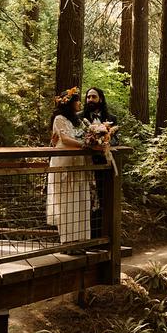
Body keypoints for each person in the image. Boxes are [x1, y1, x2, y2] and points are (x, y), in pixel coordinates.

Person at [47, 88, 89, 243]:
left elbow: (85, 134)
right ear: (70, 102)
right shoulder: (59, 118)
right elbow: (64, 139)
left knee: (78, 199)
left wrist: (93, 139)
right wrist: (85, 144)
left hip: (77, 161)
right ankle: (68, 241)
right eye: (77, 100)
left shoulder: (76, 120)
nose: (79, 103)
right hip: (63, 162)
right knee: (65, 200)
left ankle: (80, 239)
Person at [80, 87, 117, 238]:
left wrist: (106, 141)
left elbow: (116, 139)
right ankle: (85, 236)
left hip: (103, 165)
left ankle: (101, 236)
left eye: (93, 97)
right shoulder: (79, 117)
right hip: (84, 164)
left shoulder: (112, 118)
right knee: (85, 199)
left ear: (100, 99)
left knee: (103, 199)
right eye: (88, 97)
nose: (90, 100)